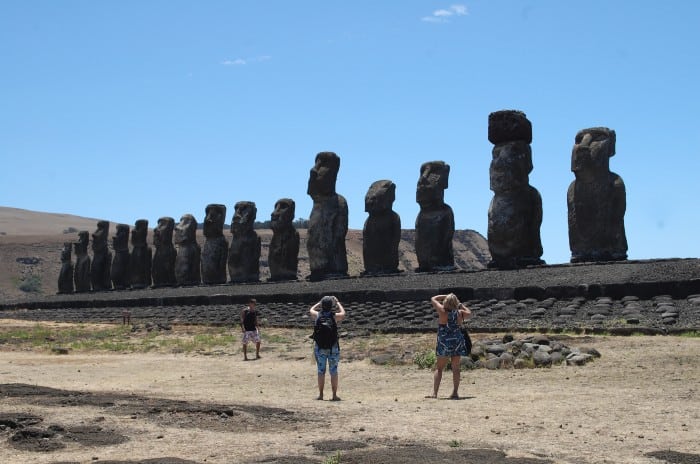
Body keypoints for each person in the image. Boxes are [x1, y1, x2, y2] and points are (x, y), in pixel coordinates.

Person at [429, 293, 471, 399]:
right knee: (456, 368)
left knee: (439, 368)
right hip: (457, 341)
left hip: (444, 342)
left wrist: (445, 296)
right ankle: (455, 392)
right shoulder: (460, 313)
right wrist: (460, 304)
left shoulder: (442, 311)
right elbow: (469, 313)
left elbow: (433, 299)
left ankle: (435, 393)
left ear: (446, 302)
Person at [309, 295, 346, 400]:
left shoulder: (317, 315)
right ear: (331, 306)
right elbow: (343, 314)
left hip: (320, 347)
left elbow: (311, 309)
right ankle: (334, 395)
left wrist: (319, 303)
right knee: (333, 371)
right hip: (333, 347)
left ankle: (321, 395)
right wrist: (338, 302)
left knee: (321, 371)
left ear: (322, 305)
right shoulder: (334, 316)